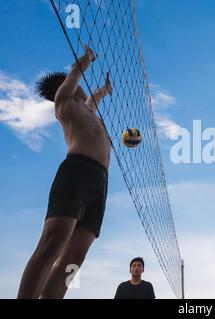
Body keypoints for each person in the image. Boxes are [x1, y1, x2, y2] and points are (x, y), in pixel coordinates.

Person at [17, 45, 112, 299]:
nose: (81, 86)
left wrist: (104, 90)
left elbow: (95, 98)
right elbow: (73, 75)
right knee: (53, 244)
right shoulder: (64, 103)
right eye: (74, 83)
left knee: (75, 259)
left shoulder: (88, 110)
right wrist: (87, 59)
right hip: (77, 171)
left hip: (101, 180)